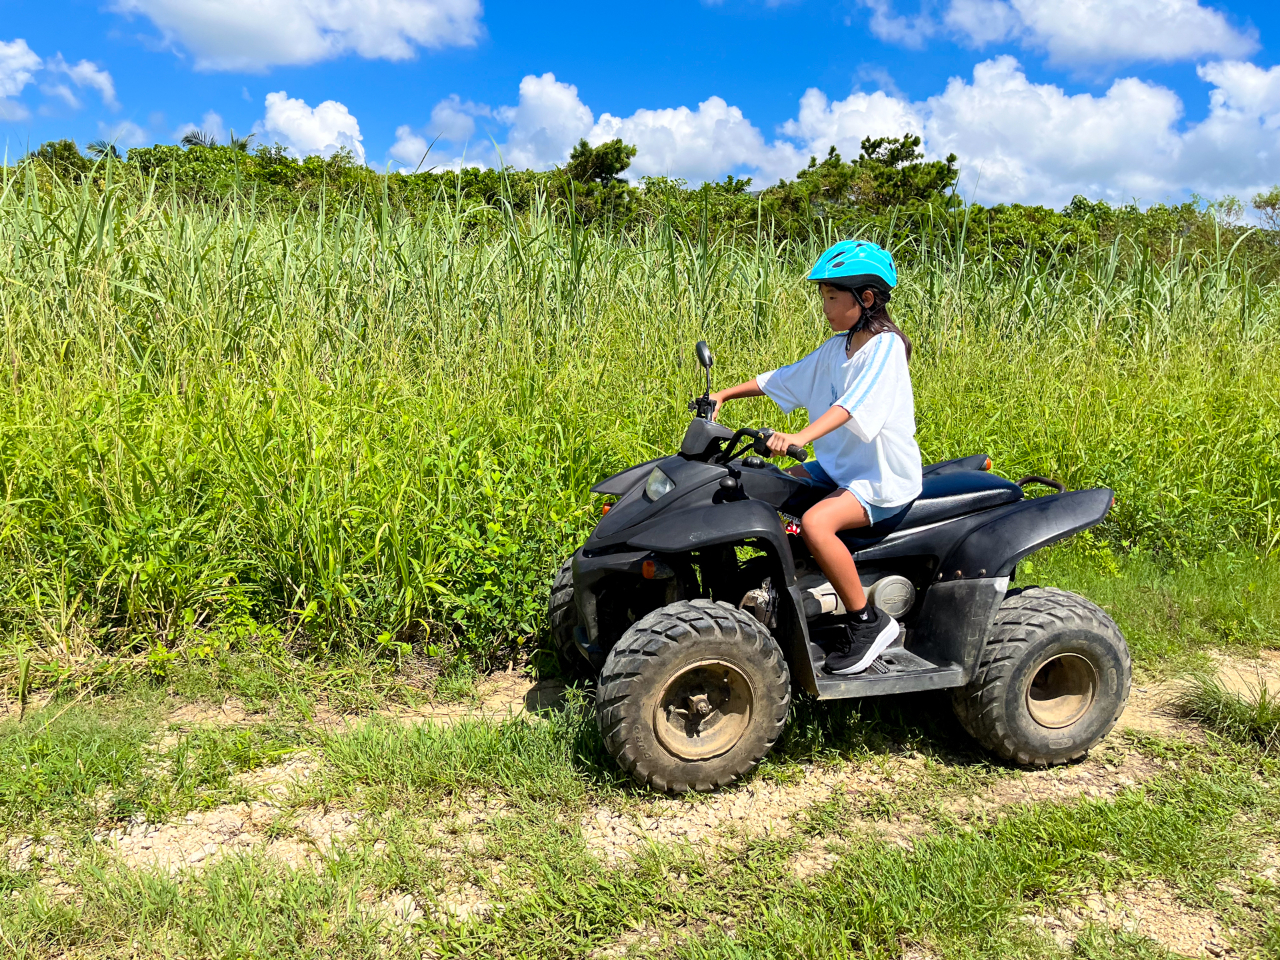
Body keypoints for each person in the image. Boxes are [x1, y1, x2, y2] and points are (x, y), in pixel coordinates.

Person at [708, 240, 923, 675]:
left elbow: (852, 408)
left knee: (816, 523)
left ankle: (868, 621)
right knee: (771, 486)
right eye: (822, 297)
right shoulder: (836, 348)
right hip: (838, 466)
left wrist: (799, 435)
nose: (824, 307)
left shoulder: (886, 348)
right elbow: (785, 378)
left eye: (831, 297)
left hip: (880, 477)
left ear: (865, 298)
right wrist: (725, 394)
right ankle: (782, 592)